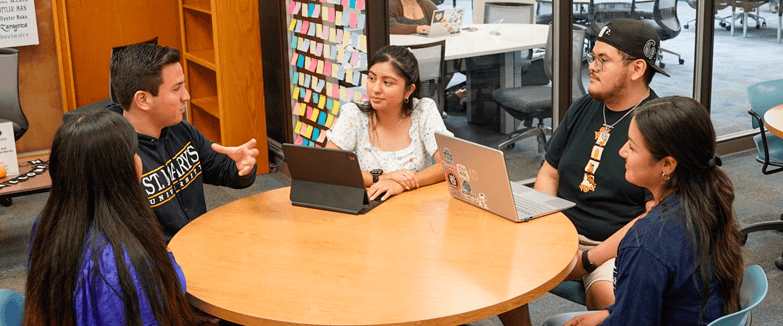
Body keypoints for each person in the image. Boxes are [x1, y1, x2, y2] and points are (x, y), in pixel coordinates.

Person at [498, 19, 671, 324]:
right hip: (559, 230)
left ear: (637, 70)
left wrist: (591, 258)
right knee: (495, 265)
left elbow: (652, 216)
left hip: (612, 245)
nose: (591, 66)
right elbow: (549, 173)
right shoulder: (583, 107)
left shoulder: (655, 126)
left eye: (603, 60)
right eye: (593, 57)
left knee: (610, 304)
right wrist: (545, 225)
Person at [542, 96, 744, 326]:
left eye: (632, 146)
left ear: (667, 165)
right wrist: (610, 313)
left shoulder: (644, 244)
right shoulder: (708, 204)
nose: (621, 152)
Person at [24, 110, 204, 325]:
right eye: (134, 153)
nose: (139, 160)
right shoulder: (125, 263)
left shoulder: (47, 224)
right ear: (120, 170)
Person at [109, 43, 259, 241]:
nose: (186, 96)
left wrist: (241, 168)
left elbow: (222, 170)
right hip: (164, 264)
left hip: (200, 244)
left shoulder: (180, 130)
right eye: (176, 89)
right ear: (143, 100)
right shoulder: (115, 156)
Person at [326, 45, 452, 201]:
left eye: (387, 83)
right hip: (367, 208)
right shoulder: (353, 115)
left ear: (408, 90)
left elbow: (449, 163)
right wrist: (382, 178)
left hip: (416, 209)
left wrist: (403, 184)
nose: (376, 89)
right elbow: (329, 166)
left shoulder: (424, 111)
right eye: (372, 78)